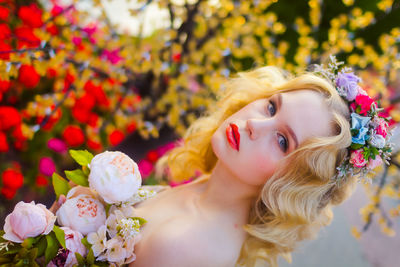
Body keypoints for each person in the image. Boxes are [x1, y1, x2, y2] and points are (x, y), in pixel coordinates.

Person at [128, 63, 387, 267]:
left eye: (283, 141)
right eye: (271, 107)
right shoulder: (205, 191)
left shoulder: (188, 244)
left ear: (295, 181)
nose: (255, 124)